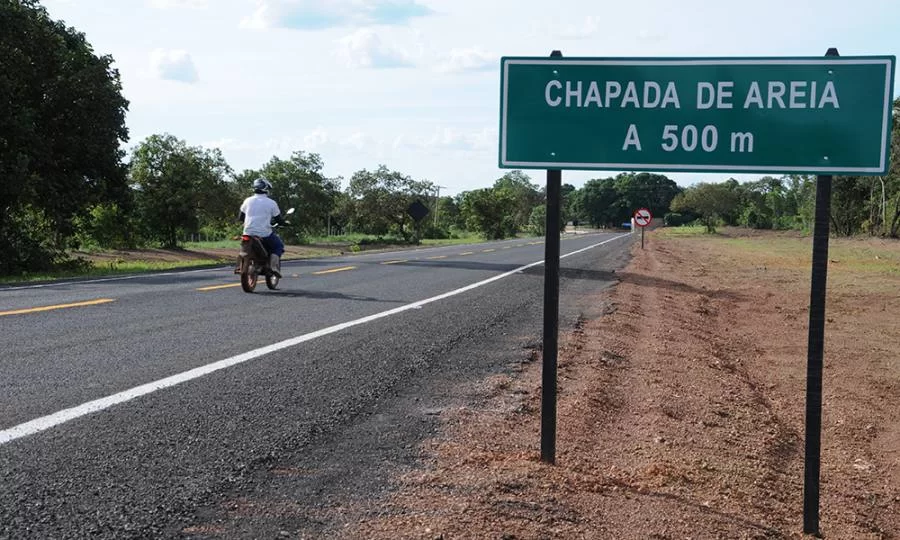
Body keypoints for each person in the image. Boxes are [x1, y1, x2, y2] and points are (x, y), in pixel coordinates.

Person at [237, 177, 286, 277]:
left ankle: (241, 265)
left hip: (247, 232)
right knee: (278, 246)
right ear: (266, 189)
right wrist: (284, 223)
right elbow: (279, 220)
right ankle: (273, 267)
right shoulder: (271, 203)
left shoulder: (247, 200)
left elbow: (240, 217)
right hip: (264, 234)